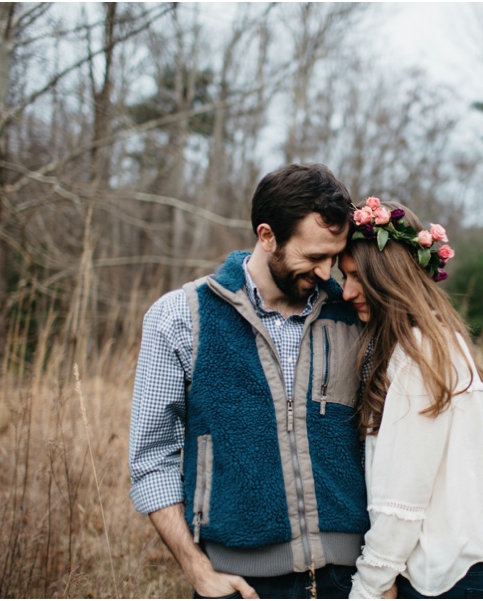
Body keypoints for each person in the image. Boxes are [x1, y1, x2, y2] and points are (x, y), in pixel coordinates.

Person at [129, 164, 371, 599]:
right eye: (314, 257)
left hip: (352, 578)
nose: (326, 273)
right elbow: (152, 458)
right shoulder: (180, 317)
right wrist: (198, 570)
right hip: (239, 581)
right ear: (267, 236)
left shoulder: (354, 315)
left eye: (334, 257)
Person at [339, 197, 483, 599]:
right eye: (343, 278)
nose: (346, 293)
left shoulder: (420, 355)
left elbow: (403, 499)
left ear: (388, 276)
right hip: (457, 569)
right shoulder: (432, 341)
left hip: (443, 581)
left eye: (357, 277)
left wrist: (369, 586)